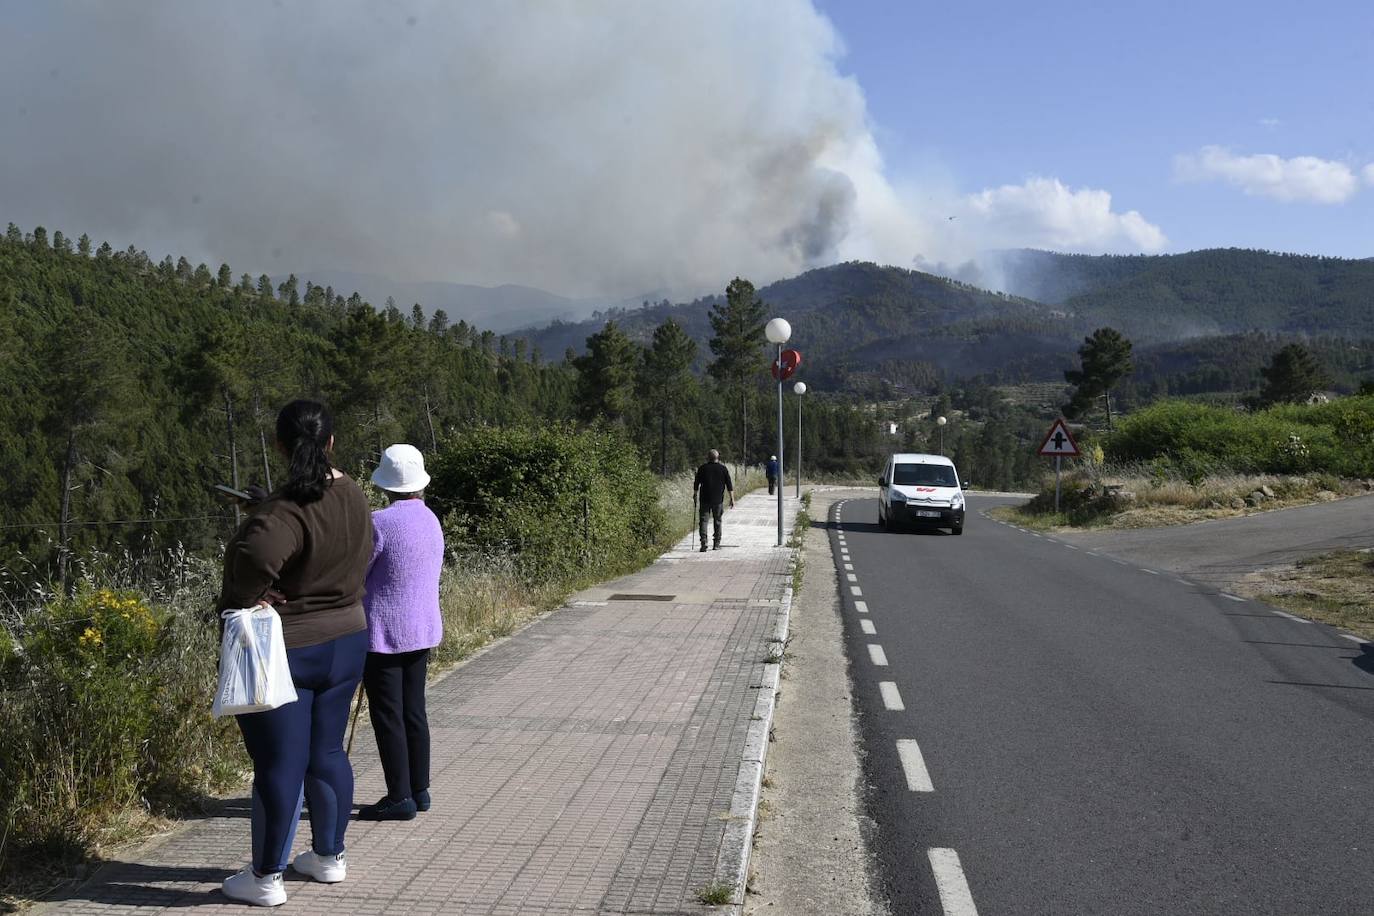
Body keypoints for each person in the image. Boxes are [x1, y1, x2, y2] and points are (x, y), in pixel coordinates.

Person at [217, 400, 374, 907]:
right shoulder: (353, 494)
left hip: (288, 647)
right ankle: (329, 857)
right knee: (327, 752)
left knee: (279, 762)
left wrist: (247, 596)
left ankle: (266, 878)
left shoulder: (283, 509)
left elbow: (260, 554)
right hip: (348, 638)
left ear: (280, 445)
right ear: (331, 441)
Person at [358, 444, 444, 821]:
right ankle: (419, 789)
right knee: (413, 711)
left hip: (383, 632)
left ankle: (398, 795)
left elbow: (357, 572)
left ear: (385, 484)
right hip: (421, 628)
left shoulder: (379, 522)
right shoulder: (430, 518)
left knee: (388, 714)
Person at [693, 448, 734, 552]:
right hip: (718, 500)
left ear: (708, 457)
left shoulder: (702, 468)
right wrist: (732, 499)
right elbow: (729, 485)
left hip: (704, 499)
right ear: (718, 457)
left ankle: (704, 543)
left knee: (703, 521)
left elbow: (696, 483)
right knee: (718, 521)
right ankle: (716, 544)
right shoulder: (723, 469)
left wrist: (695, 494)